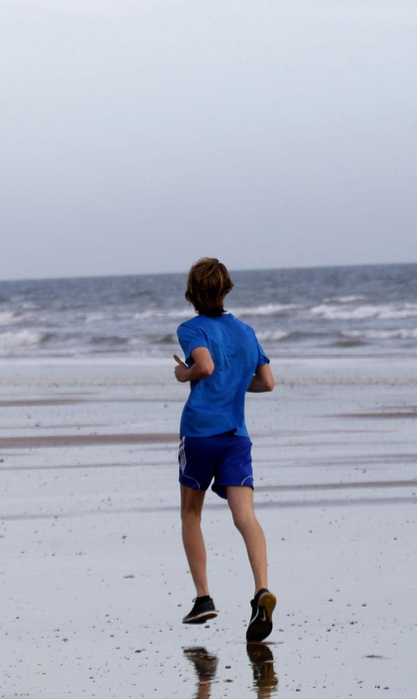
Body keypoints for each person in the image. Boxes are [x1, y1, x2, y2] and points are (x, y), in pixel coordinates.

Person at [172, 257, 277, 641]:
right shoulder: (246, 332)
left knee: (190, 513)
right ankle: (261, 590)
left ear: (192, 293)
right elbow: (266, 382)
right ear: (226, 289)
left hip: (200, 433)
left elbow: (204, 367)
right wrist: (235, 383)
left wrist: (183, 373)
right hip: (236, 436)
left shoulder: (191, 328)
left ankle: (203, 598)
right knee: (245, 517)